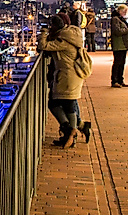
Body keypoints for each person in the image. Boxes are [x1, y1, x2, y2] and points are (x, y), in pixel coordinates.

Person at [38, 15, 92, 147]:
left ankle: (70, 132)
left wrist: (44, 33)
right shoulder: (70, 36)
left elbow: (43, 45)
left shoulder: (64, 41)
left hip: (68, 75)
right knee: (67, 103)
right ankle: (74, 131)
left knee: (61, 104)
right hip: (69, 75)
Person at [109, 5, 128, 87]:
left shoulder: (120, 19)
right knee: (117, 63)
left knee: (122, 63)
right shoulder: (115, 19)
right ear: (120, 11)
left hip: (123, 44)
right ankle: (115, 80)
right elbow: (117, 31)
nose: (125, 13)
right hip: (119, 44)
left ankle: (120, 80)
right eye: (124, 11)